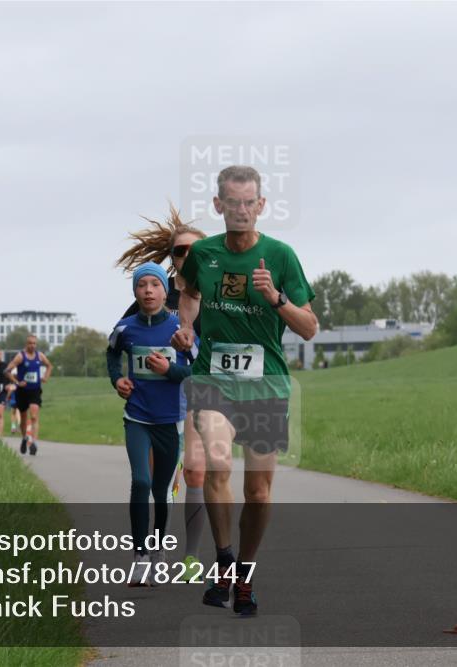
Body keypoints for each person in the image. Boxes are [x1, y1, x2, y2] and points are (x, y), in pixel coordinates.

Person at [171, 165, 317, 616]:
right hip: (213, 378)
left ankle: (245, 578)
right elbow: (190, 293)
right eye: (231, 202)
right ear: (219, 205)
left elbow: (309, 328)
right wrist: (187, 327)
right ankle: (224, 558)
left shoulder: (282, 255)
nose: (240, 210)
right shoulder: (204, 254)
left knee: (258, 491)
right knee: (216, 462)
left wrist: (275, 297)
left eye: (248, 202)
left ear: (261, 206)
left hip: (266, 384)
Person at [116, 203, 209, 582]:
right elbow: (127, 339)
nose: (187, 257)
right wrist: (124, 379)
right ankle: (153, 553)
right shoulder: (156, 293)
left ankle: (190, 557)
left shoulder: (219, 296)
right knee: (158, 479)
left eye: (195, 251)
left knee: (196, 470)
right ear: (171, 257)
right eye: (180, 251)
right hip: (163, 403)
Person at [107, 262, 194, 584]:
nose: (147, 290)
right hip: (137, 416)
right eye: (141, 285)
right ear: (135, 291)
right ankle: (140, 556)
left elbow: (197, 372)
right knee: (141, 481)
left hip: (171, 420)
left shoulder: (179, 331)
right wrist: (117, 380)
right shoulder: (125, 328)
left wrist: (169, 371)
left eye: (154, 285)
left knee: (161, 490)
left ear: (164, 291)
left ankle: (159, 553)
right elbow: (112, 354)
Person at [3, 335, 52, 455]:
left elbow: (49, 365)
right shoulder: (20, 356)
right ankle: (25, 438)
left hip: (35, 390)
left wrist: (45, 377)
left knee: (34, 415)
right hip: (22, 391)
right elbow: (6, 371)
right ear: (26, 344)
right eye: (30, 343)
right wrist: (17, 382)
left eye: (34, 343)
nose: (33, 345)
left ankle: (34, 442)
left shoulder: (40, 356)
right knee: (24, 418)